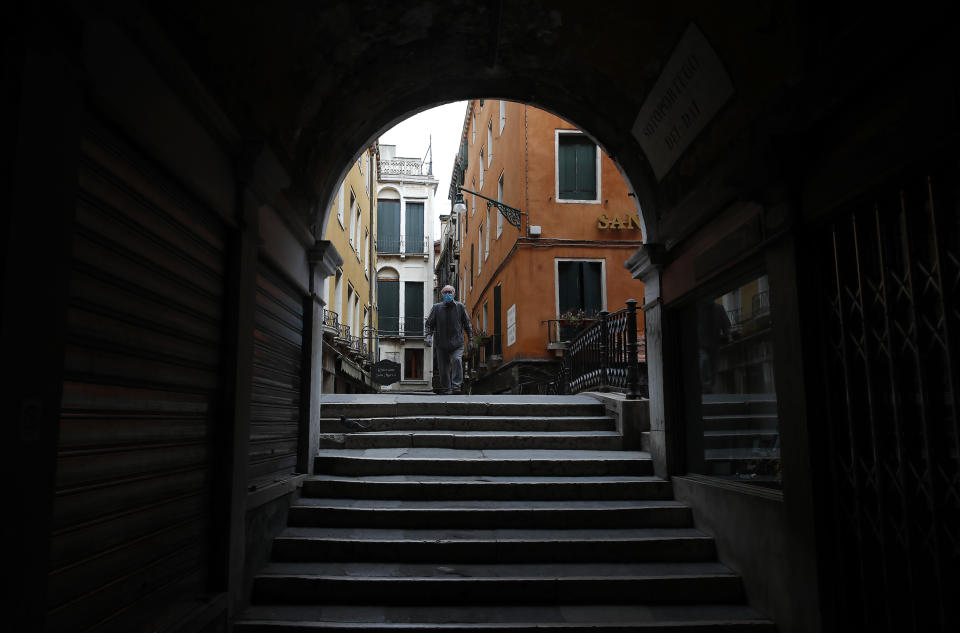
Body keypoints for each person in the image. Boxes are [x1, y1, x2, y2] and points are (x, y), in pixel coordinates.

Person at [425, 285, 473, 395]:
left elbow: (467, 324)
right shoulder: (436, 308)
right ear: (442, 295)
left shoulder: (460, 307)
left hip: (457, 343)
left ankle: (456, 386)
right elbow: (429, 324)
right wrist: (428, 336)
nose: (448, 294)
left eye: (450, 292)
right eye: (445, 292)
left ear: (454, 294)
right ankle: (447, 388)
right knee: (443, 368)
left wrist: (470, 339)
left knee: (457, 360)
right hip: (441, 344)